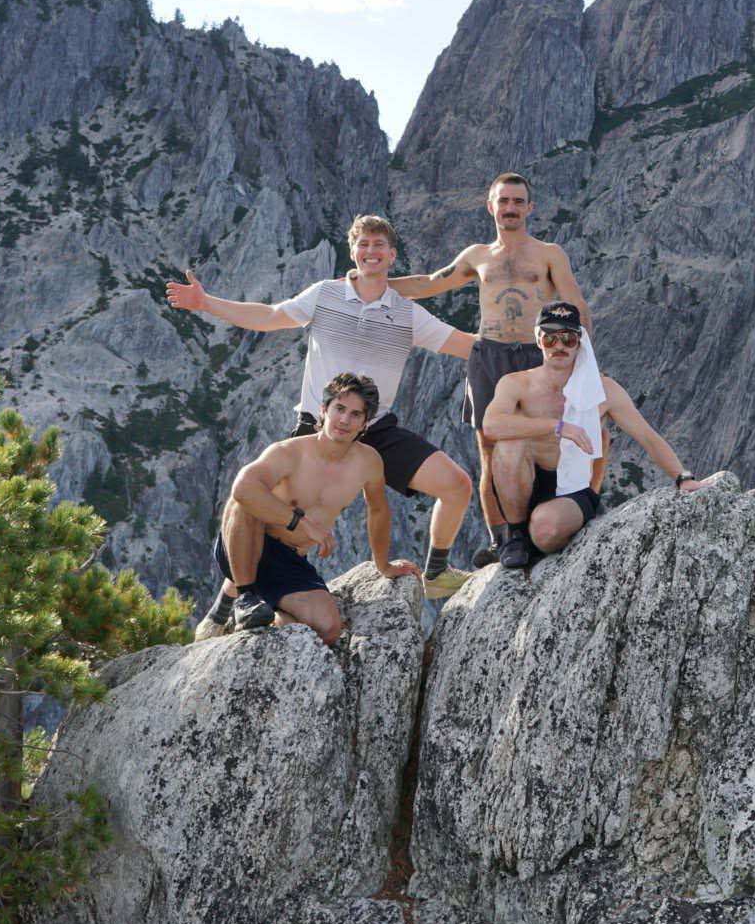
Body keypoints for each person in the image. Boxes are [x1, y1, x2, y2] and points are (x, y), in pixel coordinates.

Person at [166, 213, 476, 602]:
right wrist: (206, 303)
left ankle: (437, 573)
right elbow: (269, 316)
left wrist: (534, 342)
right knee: (275, 525)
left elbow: (466, 344)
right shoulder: (325, 295)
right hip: (320, 428)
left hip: (375, 428)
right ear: (352, 251)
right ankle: (230, 601)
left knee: (457, 485)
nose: (371, 251)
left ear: (393, 254)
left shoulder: (406, 313)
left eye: (379, 245)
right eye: (363, 244)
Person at [384, 172, 598, 566]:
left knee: (542, 440)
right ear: (491, 206)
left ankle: (545, 522)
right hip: (490, 356)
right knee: (489, 447)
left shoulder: (549, 254)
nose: (510, 208)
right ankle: (502, 538)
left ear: (530, 207)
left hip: (537, 354)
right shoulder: (477, 256)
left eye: (518, 201)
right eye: (504, 201)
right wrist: (372, 281)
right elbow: (430, 284)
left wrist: (584, 361)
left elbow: (576, 304)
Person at [483, 302, 710, 569]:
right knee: (510, 443)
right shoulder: (516, 384)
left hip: (573, 487)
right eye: (550, 338)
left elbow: (647, 436)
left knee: (545, 531)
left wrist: (683, 477)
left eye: (568, 339)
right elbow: (492, 426)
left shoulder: (603, 390)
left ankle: (537, 536)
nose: (559, 346)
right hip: (526, 479)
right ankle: (516, 535)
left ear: (579, 342)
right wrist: (558, 426)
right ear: (538, 339)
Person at [213, 372, 419, 643]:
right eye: (339, 409)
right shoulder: (289, 452)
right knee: (246, 500)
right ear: (323, 410)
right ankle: (245, 599)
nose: (344, 420)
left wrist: (384, 565)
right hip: (246, 545)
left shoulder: (368, 462)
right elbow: (243, 488)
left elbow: (378, 511)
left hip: (288, 560)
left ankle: (269, 616)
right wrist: (302, 523)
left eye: (356, 414)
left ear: (365, 423)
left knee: (329, 629)